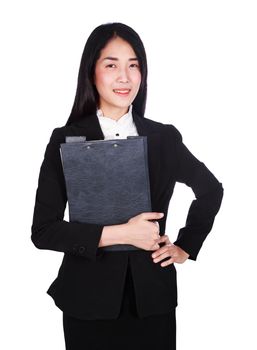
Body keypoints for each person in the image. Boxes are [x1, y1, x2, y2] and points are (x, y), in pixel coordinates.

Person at [31, 22, 224, 350]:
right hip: (86, 300)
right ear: (91, 72)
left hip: (152, 300)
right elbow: (44, 231)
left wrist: (185, 246)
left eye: (133, 65)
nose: (125, 76)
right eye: (111, 65)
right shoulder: (65, 139)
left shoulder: (164, 137)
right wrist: (121, 234)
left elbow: (210, 190)